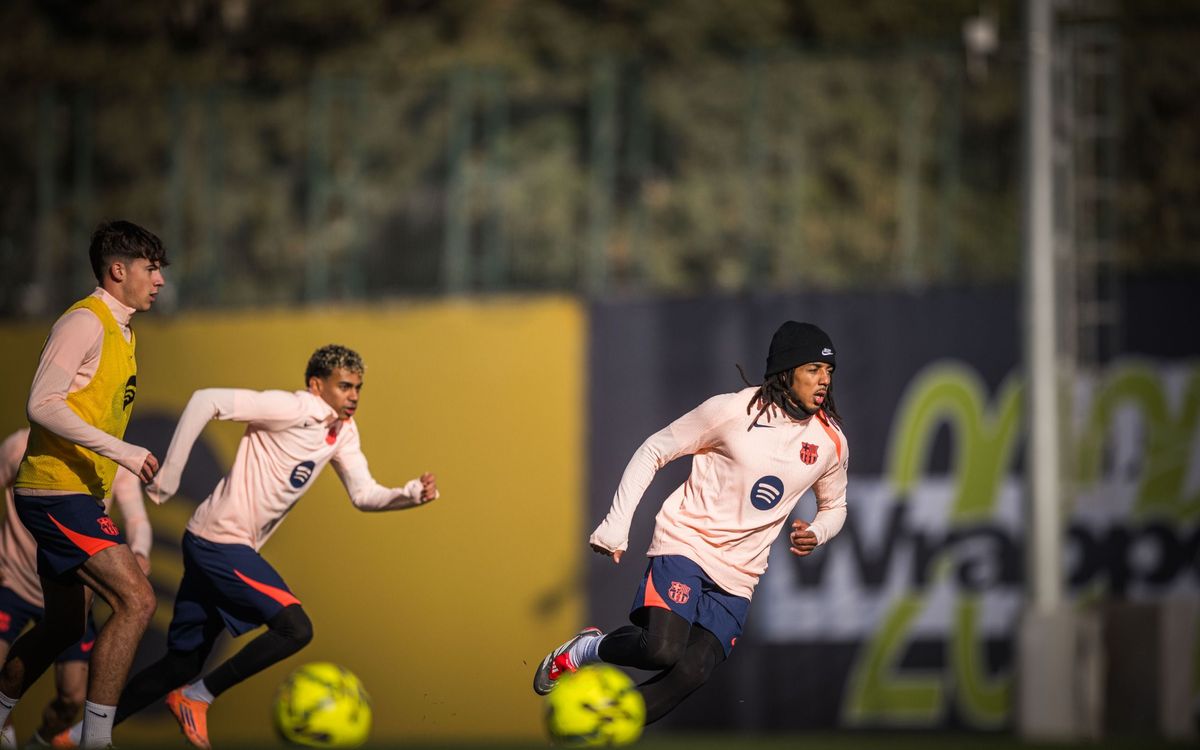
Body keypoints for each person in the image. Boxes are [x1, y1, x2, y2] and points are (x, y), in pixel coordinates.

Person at [56, 344, 438, 750]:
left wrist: (409, 494)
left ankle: (76, 737)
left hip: (213, 543)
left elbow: (363, 494)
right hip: (219, 543)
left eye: (357, 387)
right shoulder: (292, 407)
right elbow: (206, 400)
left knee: (180, 664)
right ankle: (197, 696)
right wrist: (171, 474)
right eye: (344, 386)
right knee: (295, 628)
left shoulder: (343, 431)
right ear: (316, 385)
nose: (354, 395)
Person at [532, 321, 850, 724]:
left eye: (829, 371)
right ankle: (584, 651)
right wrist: (617, 523)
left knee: (692, 672)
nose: (824, 380)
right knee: (661, 649)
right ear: (785, 372)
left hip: (740, 574)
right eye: (813, 369)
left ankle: (602, 728)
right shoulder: (732, 411)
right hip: (688, 543)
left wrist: (818, 532)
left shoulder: (831, 441)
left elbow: (835, 506)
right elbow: (654, 450)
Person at [0, 222, 166, 750]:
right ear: (118, 270)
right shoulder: (83, 321)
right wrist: (123, 451)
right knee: (137, 601)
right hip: (54, 490)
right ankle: (96, 740)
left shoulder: (124, 333)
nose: (159, 280)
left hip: (76, 494)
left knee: (65, 628)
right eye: (150, 268)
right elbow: (41, 404)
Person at [0, 429, 151, 749]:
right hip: (12, 582)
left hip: (70, 580)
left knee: (71, 698)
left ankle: (37, 745)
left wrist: (140, 552)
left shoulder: (114, 455)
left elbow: (138, 520)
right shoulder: (23, 445)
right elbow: (41, 406)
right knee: (138, 602)